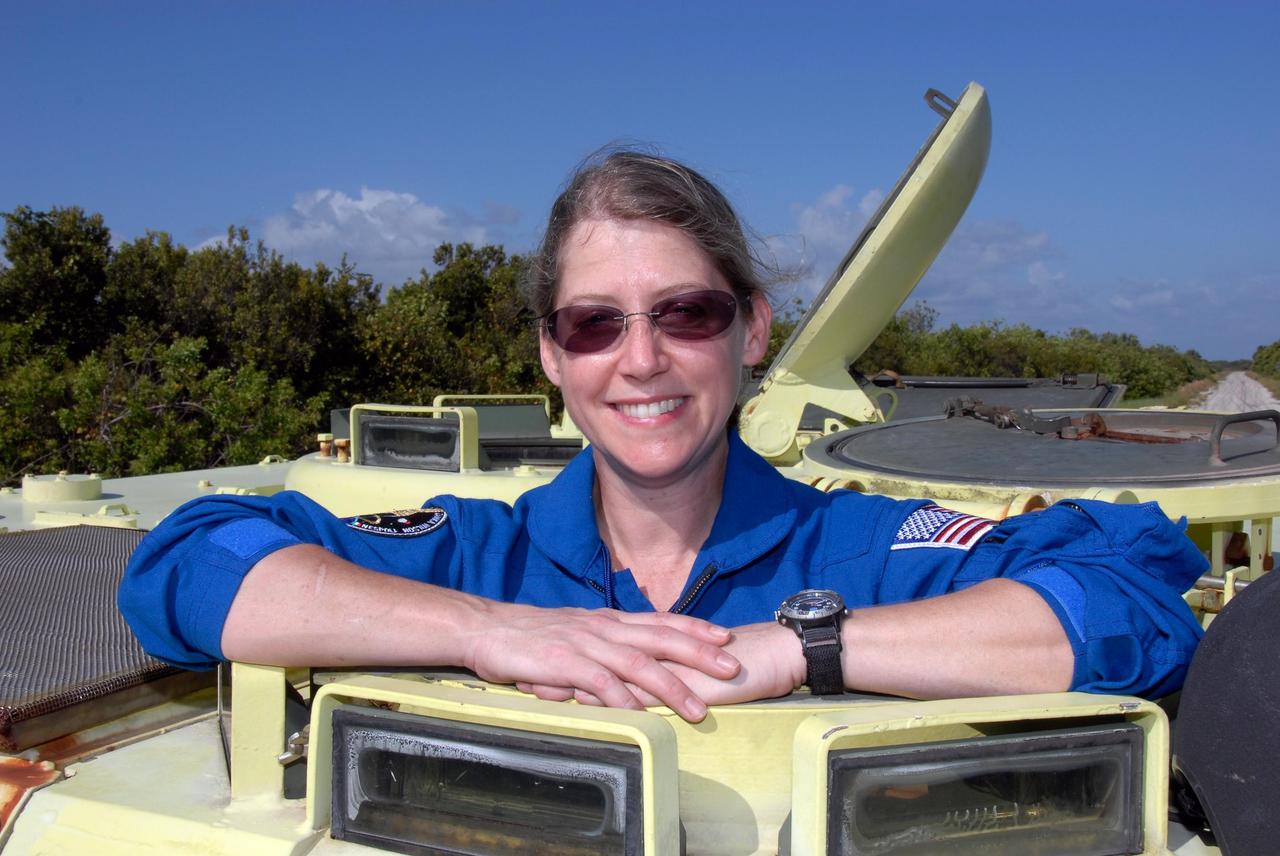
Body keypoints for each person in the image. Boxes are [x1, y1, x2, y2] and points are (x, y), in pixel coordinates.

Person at [119, 150, 1206, 724]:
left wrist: (800, 651)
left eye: (684, 313)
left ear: (750, 331)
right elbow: (190, 562)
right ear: (552, 356)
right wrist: (490, 629)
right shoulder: (479, 556)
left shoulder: (867, 552)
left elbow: (1131, 595)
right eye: (594, 324)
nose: (639, 360)